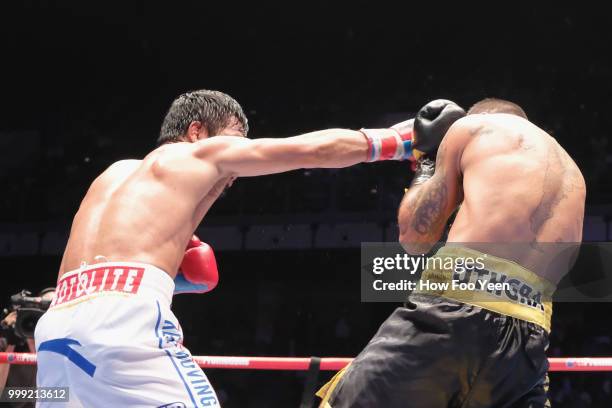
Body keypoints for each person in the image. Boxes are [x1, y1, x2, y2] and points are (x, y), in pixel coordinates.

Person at [34, 89, 431, 407]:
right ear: (196, 131)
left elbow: (108, 271)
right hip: (121, 324)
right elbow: (308, 150)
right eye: (237, 142)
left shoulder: (110, 176)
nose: (236, 171)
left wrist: (173, 279)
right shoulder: (198, 153)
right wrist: (394, 142)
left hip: (55, 330)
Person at [317, 98, 586, 407]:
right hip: (530, 336)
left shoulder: (471, 127)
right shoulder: (572, 171)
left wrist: (428, 161)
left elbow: (415, 238)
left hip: (455, 309)